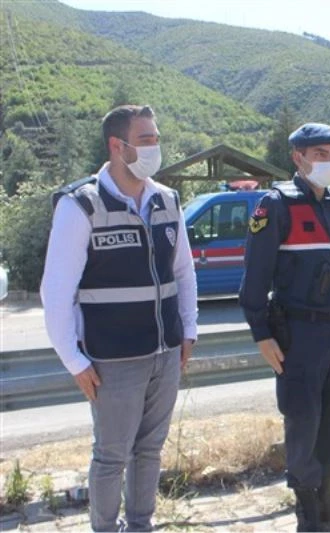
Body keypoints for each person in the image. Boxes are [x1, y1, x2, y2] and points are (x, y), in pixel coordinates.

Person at [40, 104, 198, 532]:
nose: (156, 148)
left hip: (165, 354)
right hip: (112, 363)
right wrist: (75, 361)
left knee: (150, 451)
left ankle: (141, 525)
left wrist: (189, 330)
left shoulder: (167, 200)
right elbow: (54, 293)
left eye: (155, 138)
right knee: (111, 457)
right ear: (117, 146)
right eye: (146, 140)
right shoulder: (80, 206)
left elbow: (183, 272)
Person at [239, 123, 330, 531]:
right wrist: (261, 333)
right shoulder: (275, 205)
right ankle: (308, 510)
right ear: (297, 157)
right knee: (303, 421)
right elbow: (255, 278)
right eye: (319, 154)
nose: (328, 161)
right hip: (300, 336)